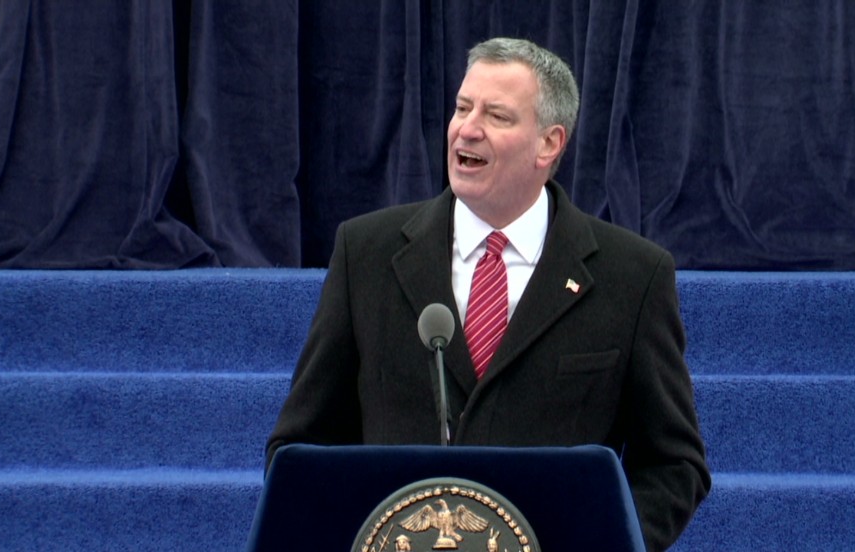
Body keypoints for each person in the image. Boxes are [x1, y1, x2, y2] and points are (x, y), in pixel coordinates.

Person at [266, 37, 710, 551]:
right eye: (462, 108)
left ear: (549, 144)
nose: (467, 128)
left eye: (496, 116)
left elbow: (675, 464)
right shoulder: (366, 253)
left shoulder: (632, 275)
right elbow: (298, 447)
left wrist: (601, 542)